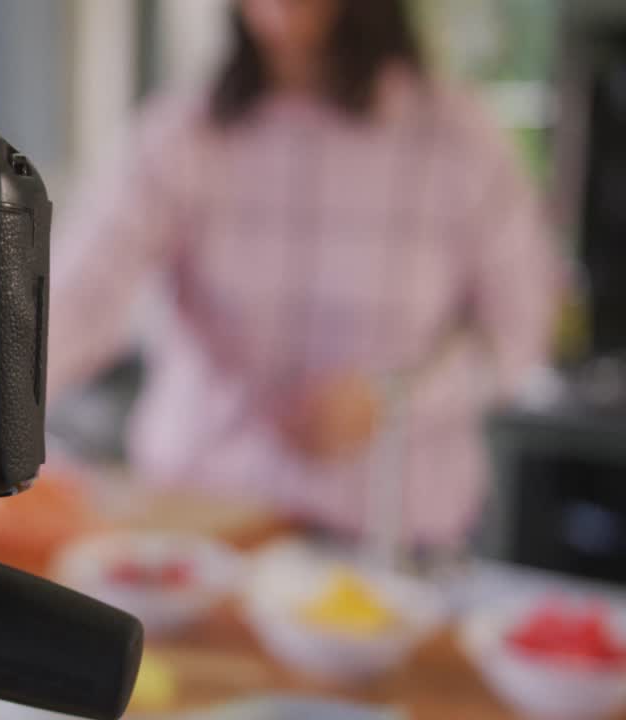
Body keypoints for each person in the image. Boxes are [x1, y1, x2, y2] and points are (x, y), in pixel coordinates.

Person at [47, 0, 562, 548]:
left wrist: (393, 400)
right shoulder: (181, 133)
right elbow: (76, 300)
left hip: (392, 543)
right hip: (202, 531)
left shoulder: (460, 139)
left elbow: (519, 335)